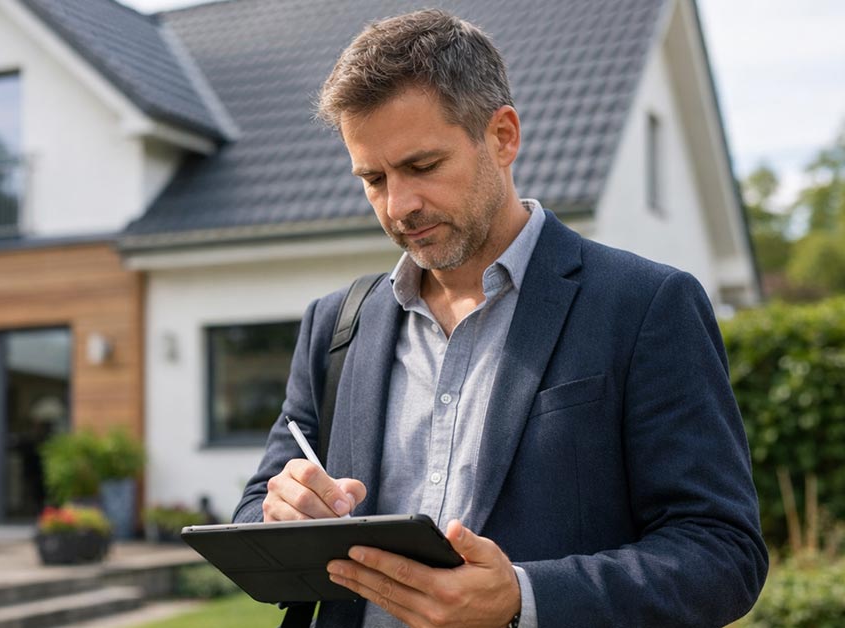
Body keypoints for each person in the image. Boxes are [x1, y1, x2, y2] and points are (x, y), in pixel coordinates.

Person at [232, 9, 767, 628]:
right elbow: (253, 512)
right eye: (373, 179)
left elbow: (722, 555)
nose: (399, 205)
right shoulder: (336, 325)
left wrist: (523, 597)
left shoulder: (646, 305)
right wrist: (281, 511)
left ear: (503, 136)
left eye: (422, 166)